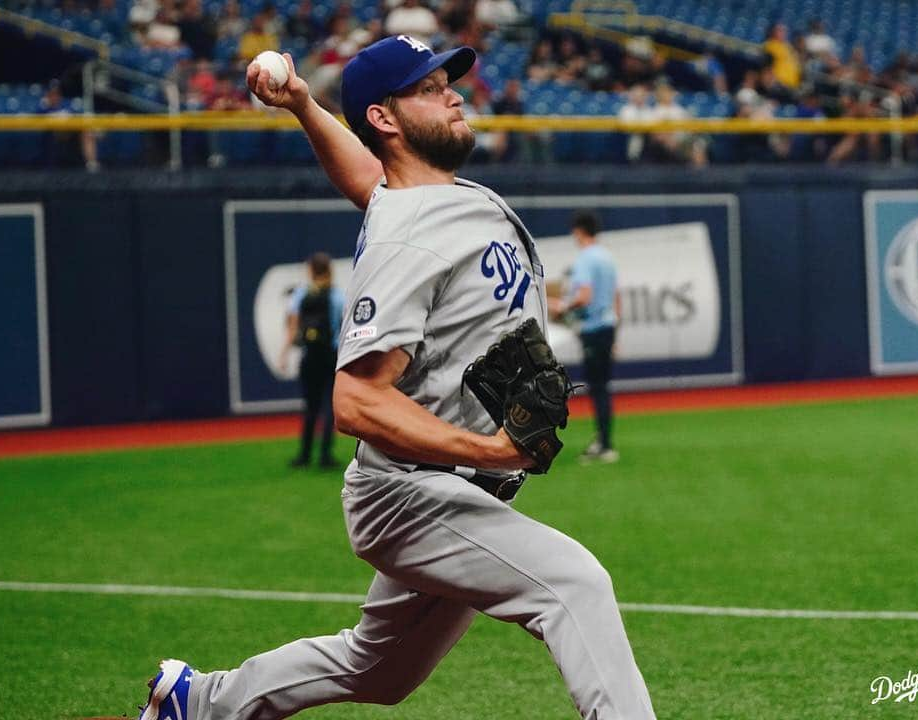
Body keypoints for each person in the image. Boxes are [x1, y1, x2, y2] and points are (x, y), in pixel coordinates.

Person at [134, 34, 655, 720]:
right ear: (386, 117)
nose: (455, 93)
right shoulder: (405, 238)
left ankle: (197, 703)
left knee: (379, 670)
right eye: (431, 88)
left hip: (453, 490)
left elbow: (367, 178)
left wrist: (299, 102)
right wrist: (491, 451)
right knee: (574, 584)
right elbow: (354, 400)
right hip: (412, 494)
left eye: (448, 81)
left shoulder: (416, 198)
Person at [550, 212, 621, 464]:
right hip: (608, 327)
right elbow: (616, 297)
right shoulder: (607, 257)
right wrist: (616, 335)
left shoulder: (585, 260)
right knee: (603, 387)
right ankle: (604, 440)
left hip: (593, 329)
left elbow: (584, 296)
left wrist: (562, 306)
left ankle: (604, 444)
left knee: (598, 388)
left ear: (579, 231)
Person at [280, 252, 344, 469]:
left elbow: (293, 326)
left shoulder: (300, 294)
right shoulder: (336, 295)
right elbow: (343, 327)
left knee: (310, 406)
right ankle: (325, 455)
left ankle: (304, 455)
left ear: (310, 270)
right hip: (330, 355)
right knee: (329, 406)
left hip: (310, 355)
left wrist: (285, 353)